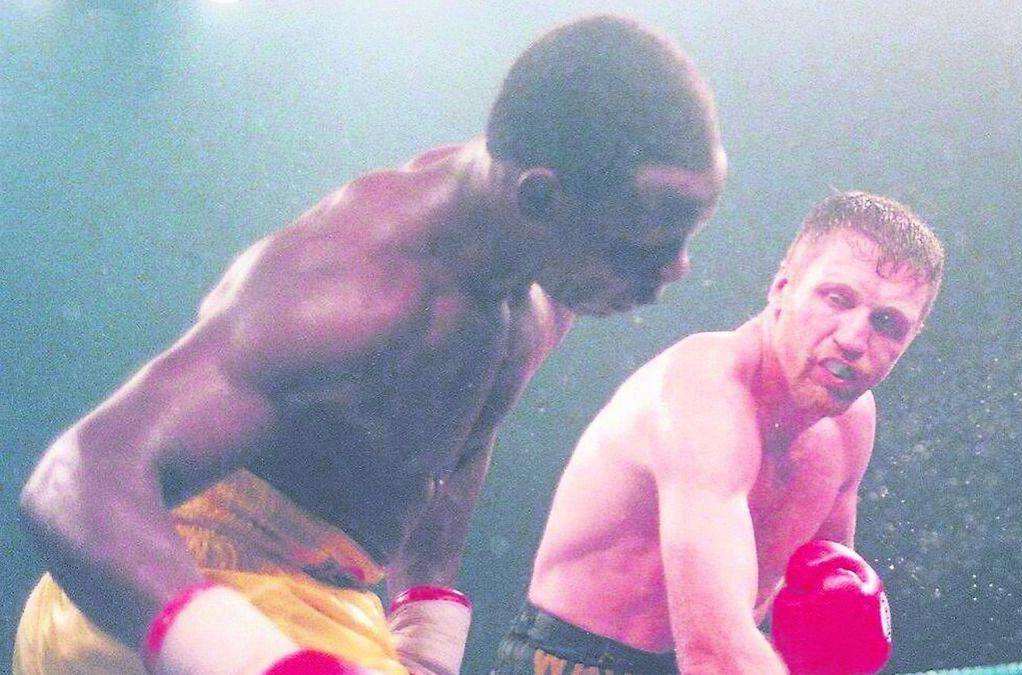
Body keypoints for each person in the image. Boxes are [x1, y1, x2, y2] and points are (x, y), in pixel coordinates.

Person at [14, 14, 727, 675]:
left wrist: (425, 637)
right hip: (146, 588)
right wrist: (248, 657)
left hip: (323, 598)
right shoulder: (354, 287)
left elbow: (453, 447)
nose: (675, 268)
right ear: (541, 198)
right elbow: (74, 479)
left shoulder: (544, 278)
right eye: (651, 235)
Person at [491, 191, 945, 675]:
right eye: (836, 299)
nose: (854, 339)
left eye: (887, 324)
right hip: (580, 661)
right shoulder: (704, 392)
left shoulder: (851, 422)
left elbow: (821, 613)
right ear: (782, 287)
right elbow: (714, 651)